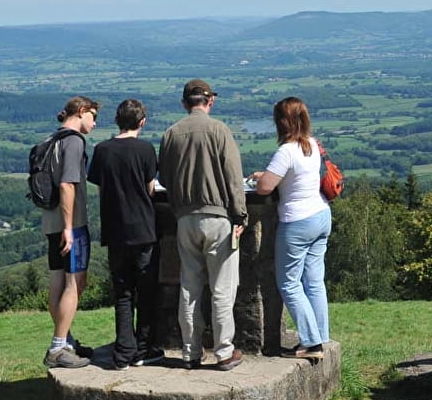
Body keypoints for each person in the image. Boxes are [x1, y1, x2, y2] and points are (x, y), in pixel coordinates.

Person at [158, 79, 247, 371]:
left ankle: (190, 352)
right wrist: (240, 215)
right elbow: (234, 178)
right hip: (219, 218)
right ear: (209, 102)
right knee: (222, 287)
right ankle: (223, 352)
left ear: (185, 103)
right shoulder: (220, 130)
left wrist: (179, 207)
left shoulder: (171, 133)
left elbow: (166, 178)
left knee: (189, 287)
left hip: (185, 218)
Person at [250, 97, 331, 359]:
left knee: (289, 282)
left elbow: (264, 188)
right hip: (321, 214)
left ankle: (310, 342)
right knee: (314, 281)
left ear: (281, 122)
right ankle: (321, 335)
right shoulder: (312, 145)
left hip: (297, 221)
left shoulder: (286, 151)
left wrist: (261, 177)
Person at [87, 98, 165, 368]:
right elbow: (150, 188)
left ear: (117, 120)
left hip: (115, 229)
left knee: (122, 294)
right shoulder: (145, 150)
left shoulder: (102, 150)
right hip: (143, 229)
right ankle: (143, 350)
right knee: (146, 293)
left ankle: (122, 352)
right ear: (142, 122)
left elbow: (100, 188)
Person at [42, 95, 101, 369]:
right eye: (93, 115)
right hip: (71, 225)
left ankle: (66, 340)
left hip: (50, 222)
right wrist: (69, 228)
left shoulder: (52, 140)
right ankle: (57, 347)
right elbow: (67, 185)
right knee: (74, 284)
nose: (95, 122)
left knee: (58, 282)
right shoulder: (74, 142)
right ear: (80, 111)